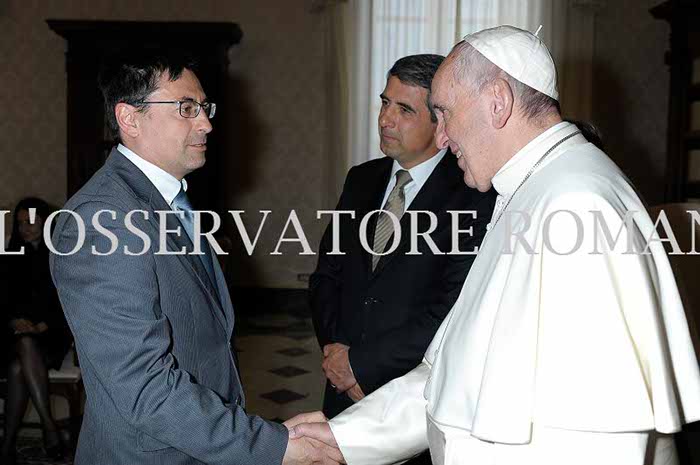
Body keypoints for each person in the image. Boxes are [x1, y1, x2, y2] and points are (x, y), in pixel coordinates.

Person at [290, 26, 700, 465]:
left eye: (444, 112)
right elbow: (452, 373)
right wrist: (343, 438)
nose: (441, 138)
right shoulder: (530, 186)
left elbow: (598, 437)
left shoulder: (577, 202)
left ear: (498, 102)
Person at [48, 49, 341, 465]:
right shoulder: (103, 219)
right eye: (186, 108)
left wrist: (260, 435)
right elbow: (145, 389)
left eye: (204, 108)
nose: (206, 123)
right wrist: (271, 445)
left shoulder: (169, 201)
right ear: (130, 118)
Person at [309, 54, 493, 437]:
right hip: (342, 388)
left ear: (440, 122)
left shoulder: (472, 194)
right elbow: (327, 276)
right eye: (384, 102)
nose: (385, 119)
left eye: (404, 109)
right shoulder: (361, 179)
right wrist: (337, 356)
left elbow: (451, 308)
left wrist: (363, 366)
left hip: (412, 396)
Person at [1, 197, 72, 463]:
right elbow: (2, 300)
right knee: (19, 357)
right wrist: (13, 321)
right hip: (14, 336)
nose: (25, 228)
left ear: (44, 221)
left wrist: (44, 324)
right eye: (20, 223)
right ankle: (49, 428)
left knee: (19, 364)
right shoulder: (8, 256)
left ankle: (7, 446)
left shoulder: (61, 253)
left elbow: (70, 298)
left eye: (31, 221)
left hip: (51, 334)